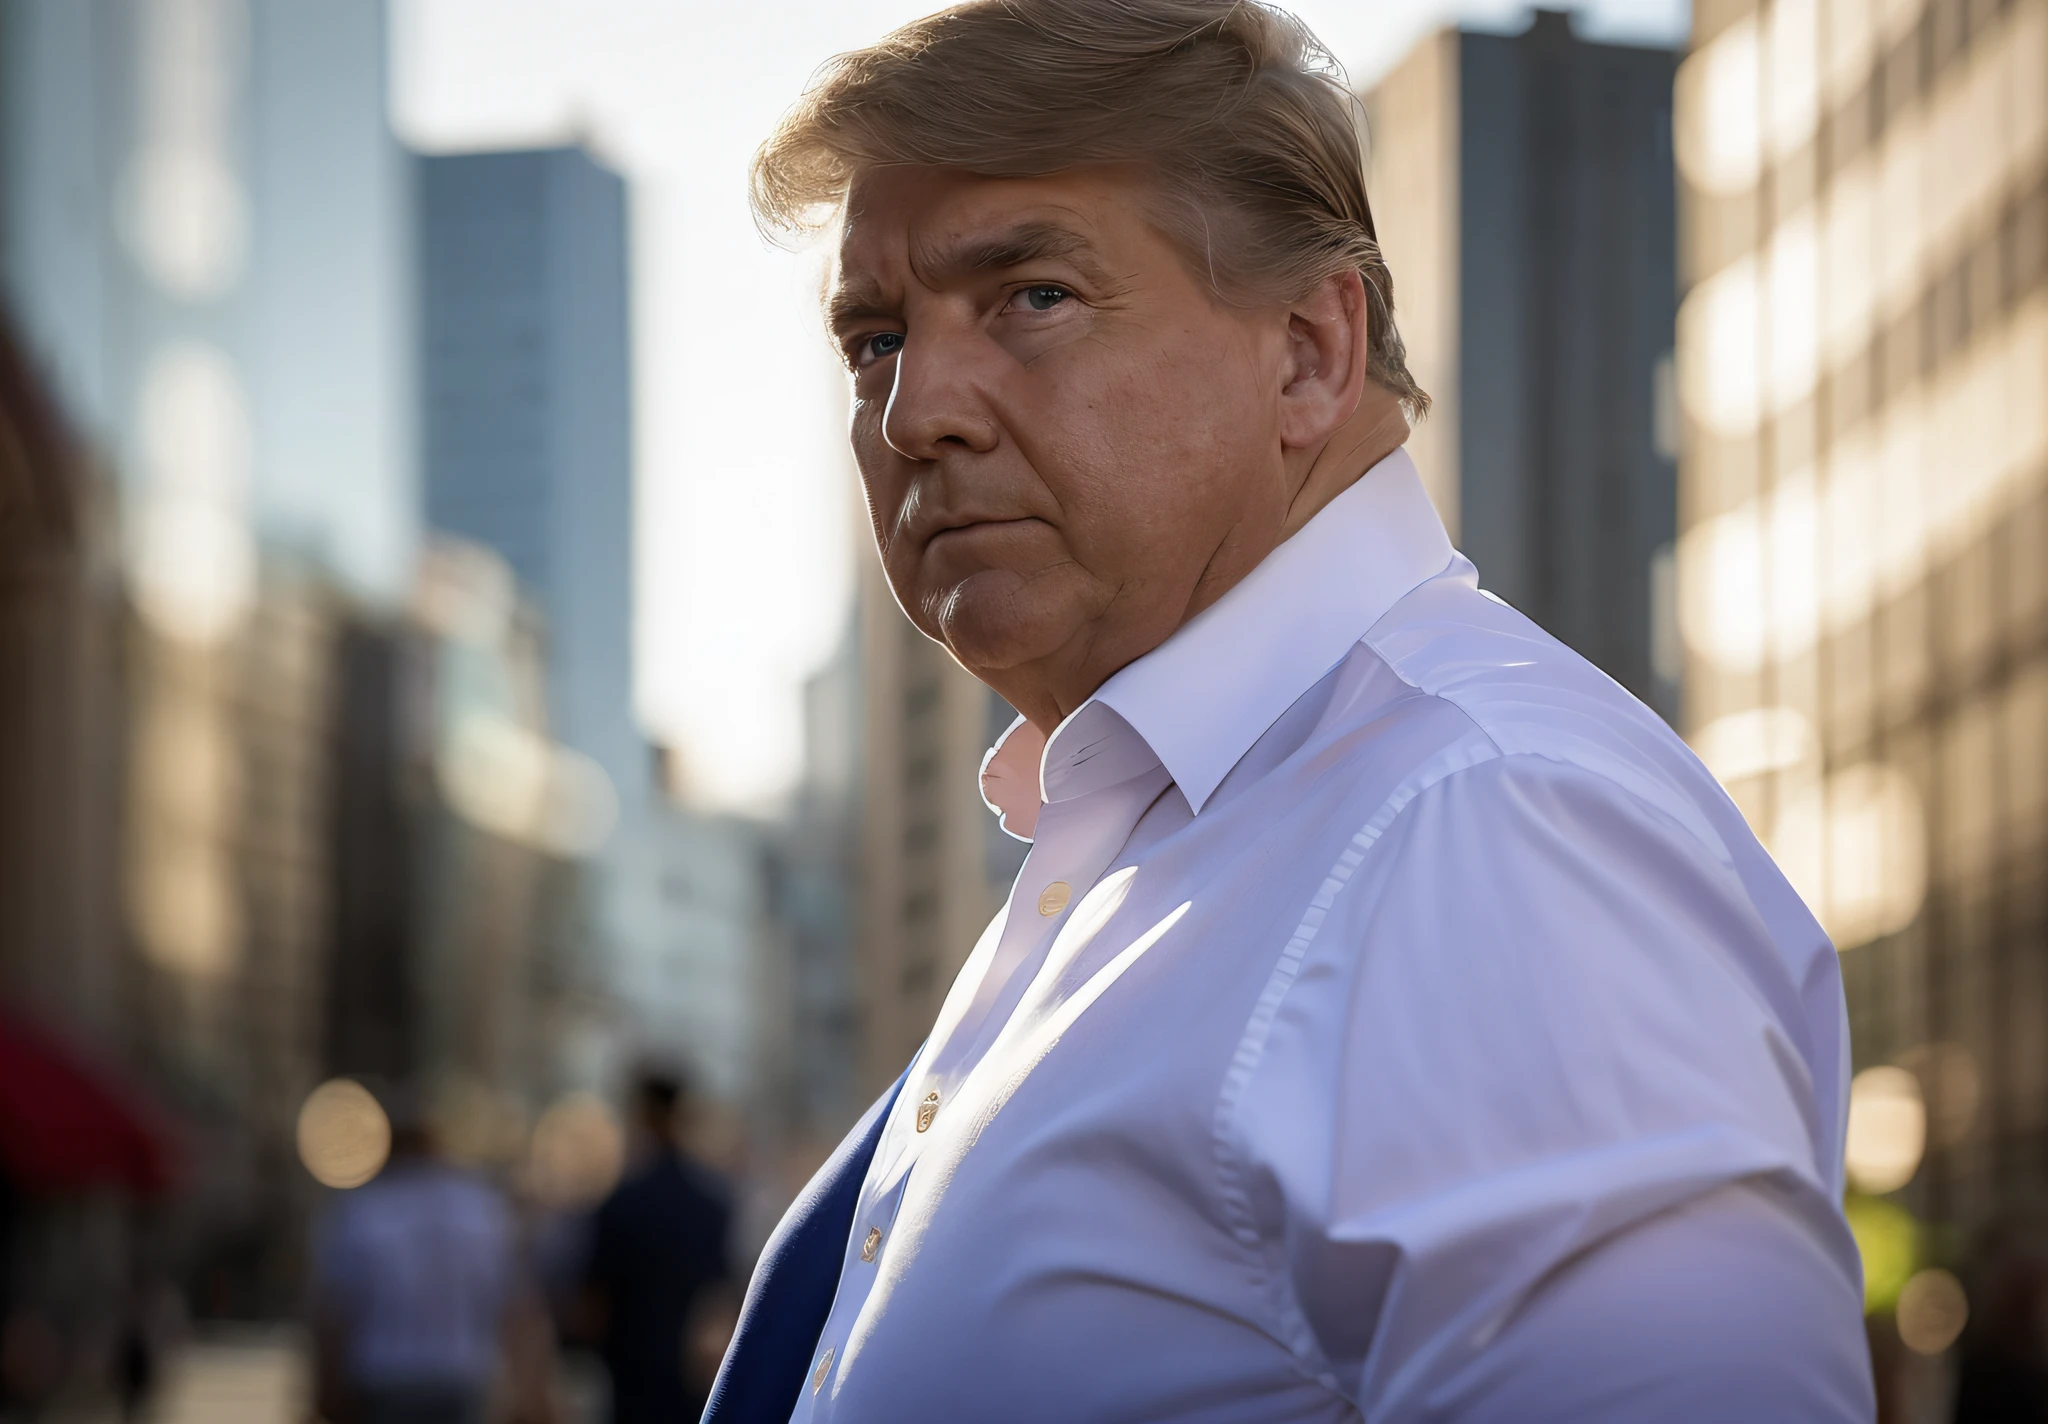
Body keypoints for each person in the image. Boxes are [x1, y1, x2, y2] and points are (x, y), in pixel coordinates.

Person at [708, 2, 1874, 1421]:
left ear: (1313, 351)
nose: (915, 413)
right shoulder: (1185, 834)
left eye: (1033, 296)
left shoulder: (1490, 832)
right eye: (876, 338)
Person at [311, 1090, 554, 1424]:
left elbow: (336, 1311)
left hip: (385, 1376)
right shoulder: (482, 1210)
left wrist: (326, 1388)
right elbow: (518, 1309)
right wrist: (533, 1393)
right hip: (461, 1375)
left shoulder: (362, 1211)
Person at [583, 1070, 733, 1424]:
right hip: (690, 1377)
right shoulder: (708, 1204)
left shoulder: (622, 1202)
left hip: (631, 1373)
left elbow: (593, 1304)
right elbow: (720, 1298)